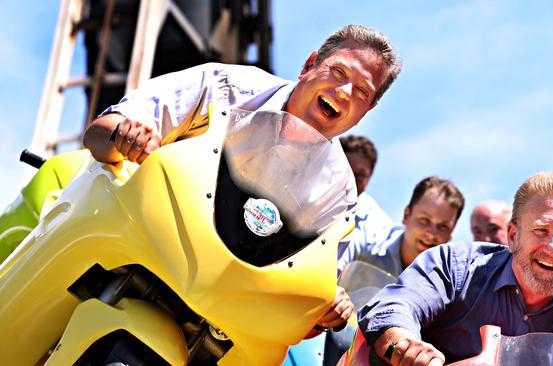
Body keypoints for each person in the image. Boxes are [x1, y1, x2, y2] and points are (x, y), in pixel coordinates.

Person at [82, 24, 402, 334]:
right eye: (339, 72)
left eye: (362, 91)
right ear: (308, 65)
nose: (344, 92)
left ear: (368, 109)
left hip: (217, 317)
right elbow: (102, 132)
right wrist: (124, 134)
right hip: (126, 254)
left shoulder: (340, 194)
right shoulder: (224, 87)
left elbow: (305, 307)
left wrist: (325, 311)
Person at [358, 172, 553, 365]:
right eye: (540, 230)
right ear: (512, 236)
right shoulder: (455, 266)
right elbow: (396, 307)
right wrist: (407, 345)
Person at [338, 176, 465, 278]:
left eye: (443, 226)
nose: (432, 233)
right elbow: (335, 262)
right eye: (424, 220)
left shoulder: (450, 281)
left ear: (451, 234)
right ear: (406, 215)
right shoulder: (369, 241)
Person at [341, 135, 393, 246]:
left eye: (359, 175)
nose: (351, 179)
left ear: (370, 177)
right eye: (346, 169)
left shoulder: (380, 229)